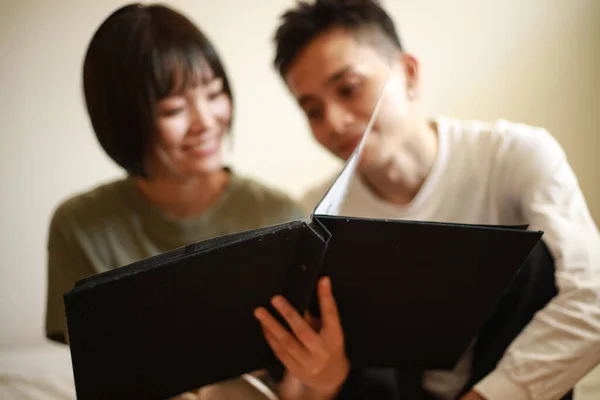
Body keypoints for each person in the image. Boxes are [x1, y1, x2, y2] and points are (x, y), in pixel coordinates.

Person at [254, 1, 600, 399]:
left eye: (349, 89)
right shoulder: (320, 213)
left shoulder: (514, 156)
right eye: (312, 111)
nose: (334, 121)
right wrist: (323, 376)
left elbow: (592, 296)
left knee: (537, 257)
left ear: (409, 72)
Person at [44, 3, 302, 399]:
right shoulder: (80, 225)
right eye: (174, 108)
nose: (205, 121)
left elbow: (300, 383)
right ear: (124, 119)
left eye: (215, 94)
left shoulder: (280, 216)